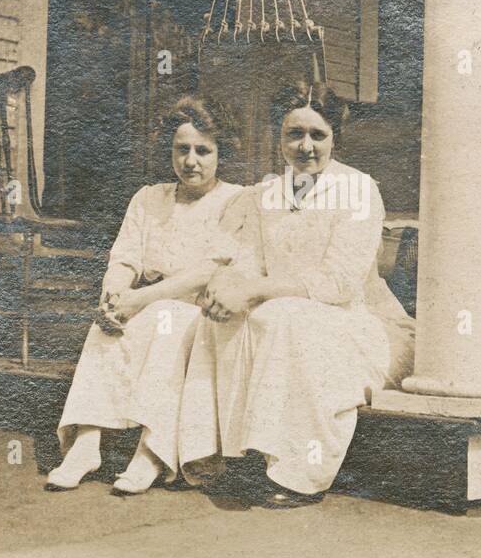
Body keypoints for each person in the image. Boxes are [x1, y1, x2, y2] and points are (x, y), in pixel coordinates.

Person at [178, 82, 415, 508]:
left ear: (334, 138)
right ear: (279, 138)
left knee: (284, 316)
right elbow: (248, 259)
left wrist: (255, 291)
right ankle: (224, 454)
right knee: (222, 316)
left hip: (354, 322)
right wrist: (229, 287)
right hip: (281, 309)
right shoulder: (267, 192)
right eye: (294, 135)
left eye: (317, 135)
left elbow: (340, 282)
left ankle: (298, 473)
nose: (305, 147)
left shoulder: (359, 189)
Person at [47, 95, 242, 493]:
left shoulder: (235, 200)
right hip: (148, 301)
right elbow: (124, 257)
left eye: (203, 151)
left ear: (221, 153)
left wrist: (140, 300)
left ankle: (151, 453)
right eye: (181, 149)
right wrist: (115, 295)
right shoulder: (149, 198)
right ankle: (86, 443)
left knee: (168, 321)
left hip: (200, 309)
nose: (191, 161)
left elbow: (208, 272)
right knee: (106, 325)